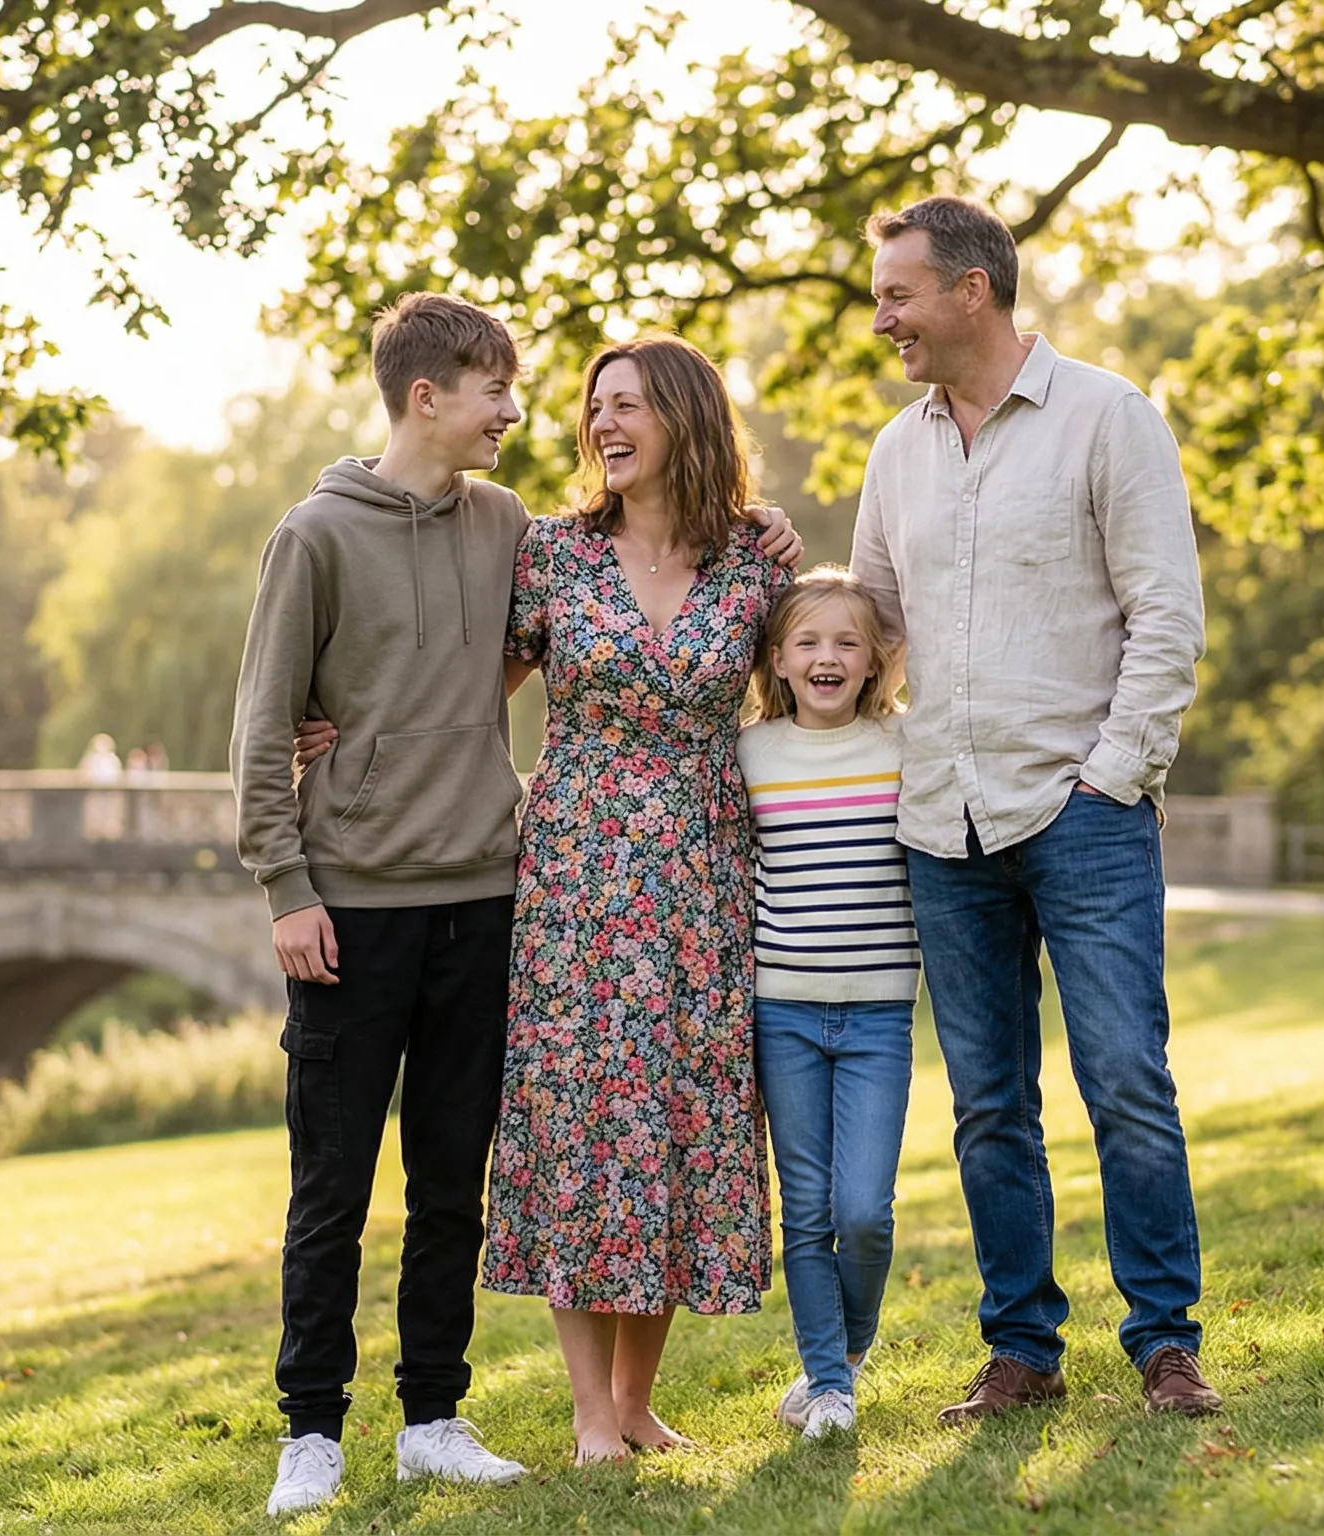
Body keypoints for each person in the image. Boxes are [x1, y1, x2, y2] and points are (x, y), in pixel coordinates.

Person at [235, 295, 800, 1516]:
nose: (540, 413)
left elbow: (809, 657)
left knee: (468, 1171)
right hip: (438, 893)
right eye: (509, 390)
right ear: (427, 395)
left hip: (550, 888)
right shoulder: (367, 536)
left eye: (611, 402)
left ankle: (438, 1414)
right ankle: (313, 1434)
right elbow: (327, 708)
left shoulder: (536, 529)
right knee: (339, 1178)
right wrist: (300, 842)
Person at [849, 195, 1220, 1423]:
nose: (883, 316)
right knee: (989, 1105)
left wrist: (1112, 776)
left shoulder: (1109, 418)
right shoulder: (896, 451)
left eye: (899, 293)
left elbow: (1167, 616)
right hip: (939, 823)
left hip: (1082, 812)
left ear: (972, 290)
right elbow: (873, 632)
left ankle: (1164, 1342)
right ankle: (1022, 1350)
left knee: (1124, 1078)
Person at [481, 334, 790, 1466]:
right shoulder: (551, 557)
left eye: (628, 407)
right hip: (576, 884)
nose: (603, 426)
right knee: (578, 1124)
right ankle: (587, 1413)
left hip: (706, 882)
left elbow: (824, 677)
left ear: (684, 419)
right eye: (593, 409)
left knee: (679, 1124)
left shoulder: (755, 563)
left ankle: (638, 1398)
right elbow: (471, 695)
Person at [740, 567, 916, 1442]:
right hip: (785, 1012)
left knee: (865, 1212)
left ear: (876, 660)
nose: (827, 657)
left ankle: (847, 1351)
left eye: (848, 642)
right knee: (805, 1209)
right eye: (808, 642)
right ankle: (828, 1386)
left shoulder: (903, 747)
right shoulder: (750, 754)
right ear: (777, 660)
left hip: (881, 1013)